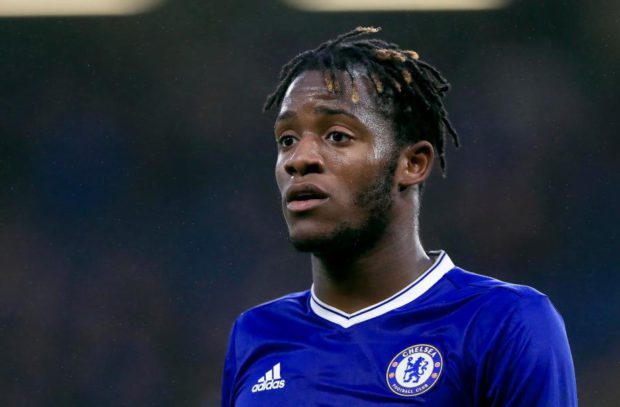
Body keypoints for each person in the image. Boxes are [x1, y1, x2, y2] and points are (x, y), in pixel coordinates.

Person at [221, 26, 577, 406]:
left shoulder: (503, 322)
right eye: (287, 140)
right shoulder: (255, 334)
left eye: (337, 135)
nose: (299, 159)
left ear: (412, 163)